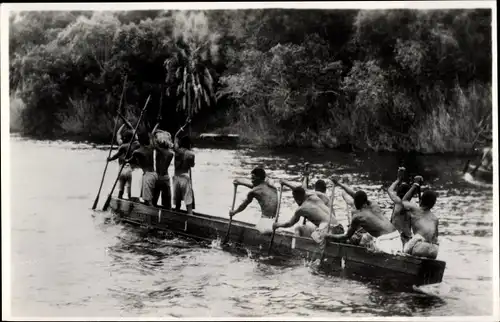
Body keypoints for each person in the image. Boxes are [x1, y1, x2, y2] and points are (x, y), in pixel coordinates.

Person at [327, 178, 403, 255]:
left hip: (384, 242)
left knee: (364, 245)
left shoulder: (358, 217)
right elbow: (355, 195)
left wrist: (329, 236)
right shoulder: (373, 204)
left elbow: (346, 236)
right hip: (396, 236)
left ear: (355, 202)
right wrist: (340, 184)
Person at [272, 186, 344, 248]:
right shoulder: (314, 196)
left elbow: (289, 224)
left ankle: (303, 249)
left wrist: (277, 225)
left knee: (302, 230)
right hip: (340, 228)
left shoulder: (300, 209)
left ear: (296, 198)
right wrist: (286, 183)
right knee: (302, 228)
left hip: (330, 233)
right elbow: (303, 189)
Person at [394, 177, 440, 259]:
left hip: (420, 248)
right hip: (434, 250)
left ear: (421, 200)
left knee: (405, 246)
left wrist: (415, 185)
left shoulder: (415, 209)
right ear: (433, 204)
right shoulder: (435, 218)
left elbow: (404, 201)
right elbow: (435, 239)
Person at [230, 167, 279, 233]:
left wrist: (234, 212)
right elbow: (256, 187)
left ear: (258, 178)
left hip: (265, 224)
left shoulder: (253, 191)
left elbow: (243, 205)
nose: (251, 180)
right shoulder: (271, 186)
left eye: (253, 178)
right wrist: (240, 182)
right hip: (275, 222)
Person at [107, 124, 140, 200]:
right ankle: (130, 203)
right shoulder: (136, 145)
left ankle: (119, 199)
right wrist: (129, 125)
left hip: (121, 169)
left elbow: (118, 133)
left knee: (121, 188)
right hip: (130, 169)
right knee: (129, 189)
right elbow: (135, 134)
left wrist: (110, 159)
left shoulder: (121, 145)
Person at [125, 131, 157, 206]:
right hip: (154, 175)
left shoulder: (137, 152)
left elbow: (130, 160)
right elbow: (152, 135)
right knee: (147, 198)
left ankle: (151, 214)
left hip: (148, 176)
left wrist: (125, 161)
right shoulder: (151, 148)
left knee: (147, 200)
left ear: (139, 141)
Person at [386, 167, 416, 245]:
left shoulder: (398, 202)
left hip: (396, 237)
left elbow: (389, 190)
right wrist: (415, 186)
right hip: (408, 238)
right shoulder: (412, 205)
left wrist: (398, 179)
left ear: (398, 193)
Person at [151, 123, 174, 209]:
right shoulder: (171, 153)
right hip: (166, 177)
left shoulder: (158, 150)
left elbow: (152, 134)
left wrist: (157, 124)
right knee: (167, 203)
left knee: (153, 201)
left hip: (157, 177)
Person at [173, 134, 195, 214]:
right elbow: (192, 165)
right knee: (188, 203)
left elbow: (175, 138)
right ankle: (190, 215)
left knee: (177, 203)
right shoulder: (191, 154)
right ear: (189, 144)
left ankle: (176, 214)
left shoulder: (176, 150)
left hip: (176, 178)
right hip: (185, 177)